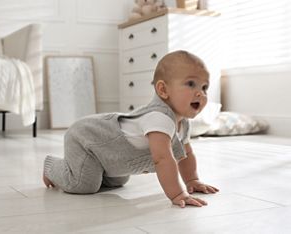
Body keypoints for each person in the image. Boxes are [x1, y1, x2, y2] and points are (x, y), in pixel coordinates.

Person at [43, 50, 219, 208]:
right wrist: (178, 193)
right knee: (83, 184)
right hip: (86, 137)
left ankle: (97, 169)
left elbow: (185, 155)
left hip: (111, 156)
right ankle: (52, 166)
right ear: (163, 90)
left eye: (204, 87)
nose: (200, 93)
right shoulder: (159, 118)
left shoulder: (183, 123)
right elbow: (163, 159)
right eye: (190, 84)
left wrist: (192, 180)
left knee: (118, 180)